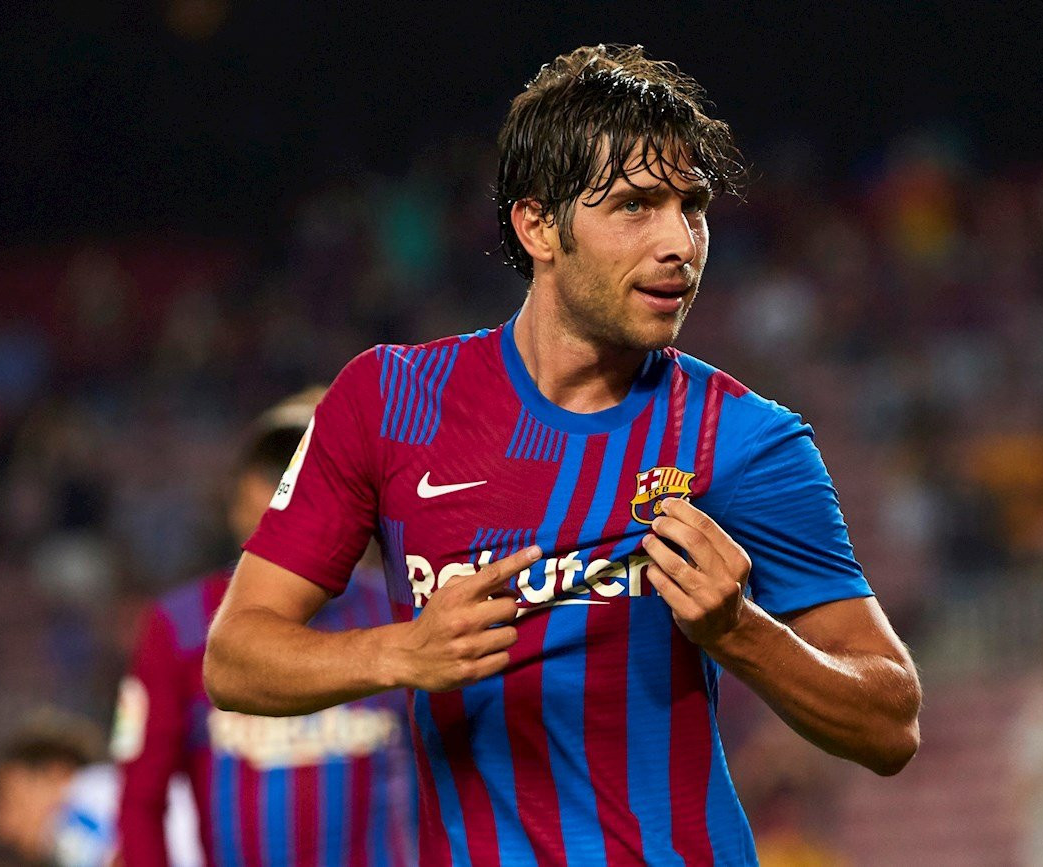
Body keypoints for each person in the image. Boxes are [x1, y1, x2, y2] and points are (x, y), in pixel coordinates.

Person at [205, 44, 921, 865]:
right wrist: (397, 650)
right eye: (635, 205)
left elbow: (891, 724)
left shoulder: (748, 440)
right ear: (537, 224)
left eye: (693, 206)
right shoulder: (387, 399)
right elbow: (237, 655)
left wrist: (740, 631)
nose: (679, 242)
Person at [114, 390, 415, 865]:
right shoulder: (177, 626)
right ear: (235, 505)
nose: (288, 486)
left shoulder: (402, 606)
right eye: (273, 469)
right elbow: (140, 795)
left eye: (305, 465)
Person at [0, 709, 202, 867]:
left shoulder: (71, 818)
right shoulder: (109, 785)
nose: (4, 827)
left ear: (55, 773)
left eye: (11, 802)